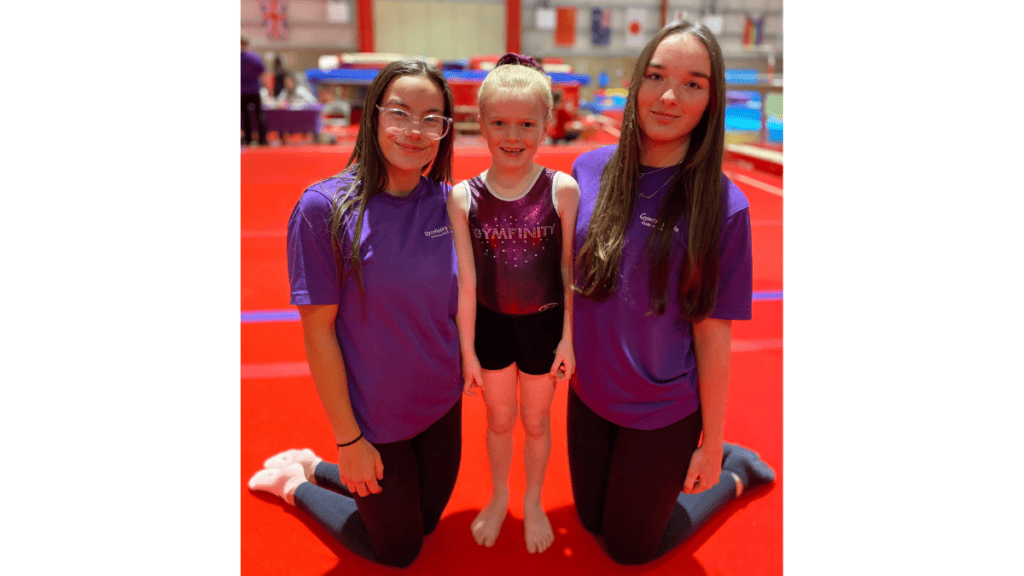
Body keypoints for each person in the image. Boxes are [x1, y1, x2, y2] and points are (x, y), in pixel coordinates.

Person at [567, 21, 774, 565]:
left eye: (692, 84)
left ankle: (734, 471)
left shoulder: (723, 208)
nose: (668, 96)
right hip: (589, 395)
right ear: (636, 83)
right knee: (588, 521)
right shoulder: (587, 171)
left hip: (662, 407)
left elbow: (712, 330)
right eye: (656, 76)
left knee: (631, 549)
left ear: (712, 99)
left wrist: (712, 438)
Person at [247, 59, 460, 568]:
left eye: (433, 118)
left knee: (429, 523)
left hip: (440, 403)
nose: (416, 130)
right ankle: (297, 483)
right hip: (377, 418)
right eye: (401, 113)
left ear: (446, 131)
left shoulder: (450, 203)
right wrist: (350, 440)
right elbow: (318, 334)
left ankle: (314, 466)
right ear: (373, 117)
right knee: (400, 549)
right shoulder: (324, 209)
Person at [446, 53, 579, 555]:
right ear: (478, 124)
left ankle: (535, 499)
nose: (512, 134)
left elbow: (568, 273)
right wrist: (468, 353)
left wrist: (569, 336)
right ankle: (501, 496)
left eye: (527, 123)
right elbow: (466, 282)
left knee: (538, 422)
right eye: (499, 122)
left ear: (547, 125)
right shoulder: (463, 197)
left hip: (545, 329)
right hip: (492, 327)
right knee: (499, 421)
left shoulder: (561, 189)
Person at [241, 36, 268, 146]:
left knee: (245, 116)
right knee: (259, 115)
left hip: (242, 92)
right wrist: (268, 89)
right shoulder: (255, 58)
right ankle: (262, 139)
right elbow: (263, 75)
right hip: (254, 90)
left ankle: (248, 139)